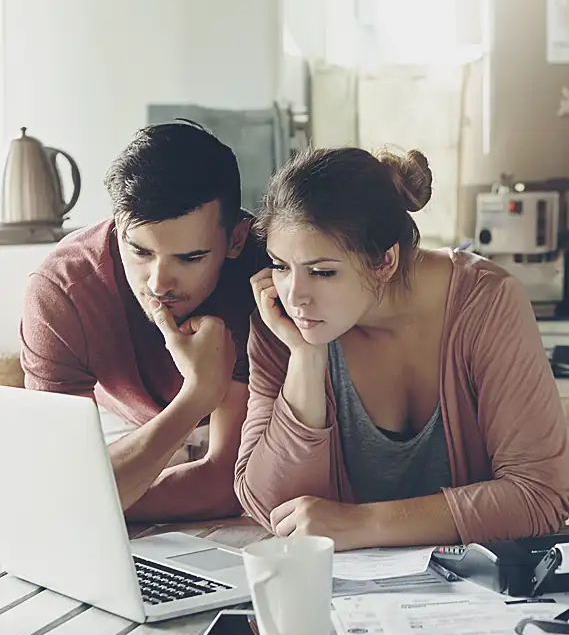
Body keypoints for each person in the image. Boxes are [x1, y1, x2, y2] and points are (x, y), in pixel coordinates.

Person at [235, 146, 569, 550]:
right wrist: (305, 358)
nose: (295, 295)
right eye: (281, 265)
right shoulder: (283, 324)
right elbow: (269, 508)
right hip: (348, 600)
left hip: (482, 600)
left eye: (322, 272)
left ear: (384, 261)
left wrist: (361, 523)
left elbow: (539, 497)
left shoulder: (486, 304)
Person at [21, 120, 266, 522]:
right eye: (139, 251)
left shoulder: (263, 273)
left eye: (190, 258)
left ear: (236, 239)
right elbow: (61, 483)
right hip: (122, 424)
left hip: (242, 434)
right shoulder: (62, 291)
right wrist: (199, 395)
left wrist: (99, 499)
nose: (158, 283)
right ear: (117, 225)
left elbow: (225, 485)